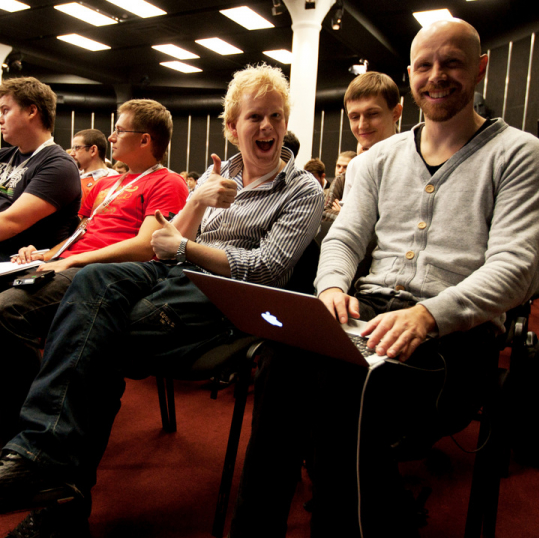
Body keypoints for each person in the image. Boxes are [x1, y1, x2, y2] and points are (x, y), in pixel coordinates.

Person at [229, 19, 539, 538]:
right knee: (281, 356)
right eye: (425, 65)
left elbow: (516, 268)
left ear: (480, 68)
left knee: (341, 383)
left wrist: (428, 315)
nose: (437, 75)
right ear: (410, 74)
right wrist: (332, 287)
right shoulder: (379, 159)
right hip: (372, 313)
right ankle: (256, 529)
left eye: (452, 62)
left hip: (455, 337)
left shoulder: (518, 153)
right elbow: (343, 239)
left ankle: (351, 526)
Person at [0, 64, 323, 537]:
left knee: (94, 342)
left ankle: (53, 489)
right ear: (232, 127)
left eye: (276, 116)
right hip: (177, 272)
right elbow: (166, 243)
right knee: (94, 282)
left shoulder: (303, 188)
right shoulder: (218, 173)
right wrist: (197, 202)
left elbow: (266, 269)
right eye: (255, 117)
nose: (267, 126)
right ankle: (45, 467)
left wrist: (188, 248)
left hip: (232, 294)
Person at [0, 98, 188, 452]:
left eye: (119, 130)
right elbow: (79, 234)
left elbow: (144, 246)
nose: (110, 137)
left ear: (145, 139)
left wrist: (71, 262)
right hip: (71, 263)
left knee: (7, 310)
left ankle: (21, 423)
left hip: (102, 275)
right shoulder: (108, 184)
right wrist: (46, 253)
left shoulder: (169, 182)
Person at [0, 77, 81, 261]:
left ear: (31, 111)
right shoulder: (3, 155)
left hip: (20, 265)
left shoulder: (59, 166)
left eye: (5, 110)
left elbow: (11, 222)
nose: (0, 119)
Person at [342, 71, 402, 198]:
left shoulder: (415, 160)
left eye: (373, 114)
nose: (362, 125)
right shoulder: (356, 165)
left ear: (396, 113)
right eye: (354, 117)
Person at [67, 129, 118, 205]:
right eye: (72, 148)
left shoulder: (114, 180)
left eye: (77, 148)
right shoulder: (70, 177)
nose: (72, 154)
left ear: (93, 150)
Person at [322, 150, 357, 222]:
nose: (340, 170)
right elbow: (324, 213)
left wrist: (343, 212)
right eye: (338, 166)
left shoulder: (360, 186)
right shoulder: (326, 191)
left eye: (345, 167)